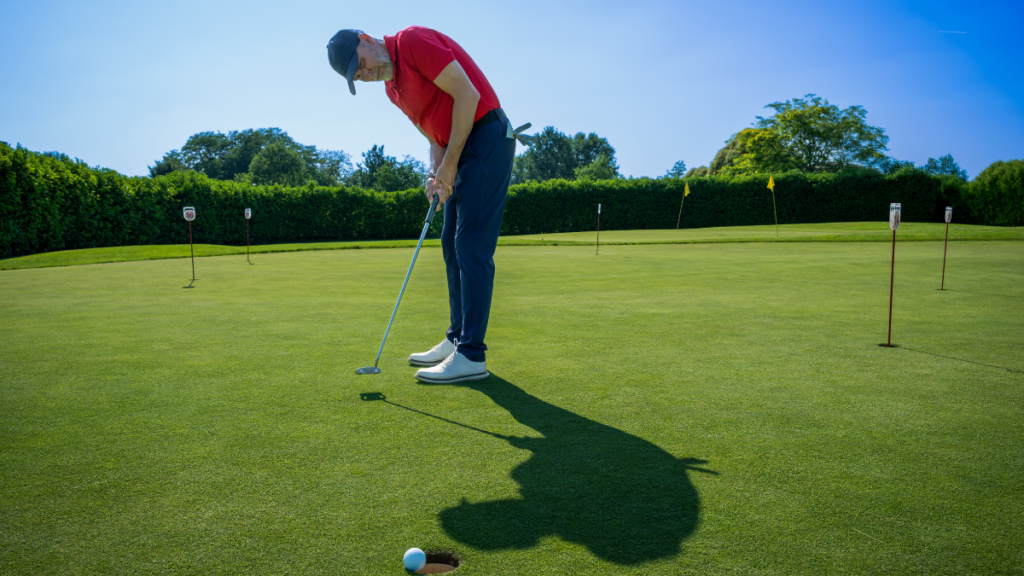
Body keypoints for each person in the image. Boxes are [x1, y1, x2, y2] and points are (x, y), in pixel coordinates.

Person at [328, 26, 519, 384]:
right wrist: (435, 173)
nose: (366, 74)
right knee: (450, 243)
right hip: (461, 149)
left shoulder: (412, 42)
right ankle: (457, 339)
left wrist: (450, 165)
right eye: (358, 76)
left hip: (488, 136)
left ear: (367, 40)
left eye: (362, 64)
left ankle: (472, 355)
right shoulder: (392, 90)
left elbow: (467, 96)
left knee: (470, 246)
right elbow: (434, 134)